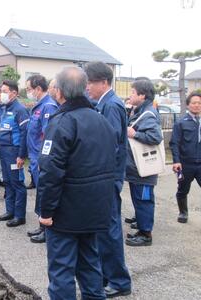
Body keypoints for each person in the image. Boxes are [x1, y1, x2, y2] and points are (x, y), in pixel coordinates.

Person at [38, 66, 116, 300]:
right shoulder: (101, 120)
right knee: (90, 264)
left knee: (61, 269)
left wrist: (46, 211)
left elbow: (51, 172)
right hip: (96, 208)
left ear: (60, 91)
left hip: (66, 211)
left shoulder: (62, 122)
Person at [84, 61, 131, 297]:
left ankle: (120, 282)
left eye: (90, 83)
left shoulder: (111, 105)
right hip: (104, 176)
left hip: (107, 177)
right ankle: (105, 275)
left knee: (110, 230)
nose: (87, 87)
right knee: (103, 230)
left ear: (103, 82)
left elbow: (110, 144)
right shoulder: (103, 103)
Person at [125, 78, 163, 246]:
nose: (130, 95)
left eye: (133, 92)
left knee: (144, 200)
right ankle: (142, 227)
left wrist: (135, 134)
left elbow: (155, 137)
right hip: (137, 168)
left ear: (142, 95)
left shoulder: (148, 113)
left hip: (144, 169)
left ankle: (146, 234)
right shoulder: (140, 111)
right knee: (139, 199)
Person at [25, 74, 58, 243]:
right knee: (40, 192)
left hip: (40, 157)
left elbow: (48, 136)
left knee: (45, 193)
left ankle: (47, 230)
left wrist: (42, 160)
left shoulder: (49, 107)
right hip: (34, 156)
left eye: (29, 89)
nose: (28, 92)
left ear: (38, 88)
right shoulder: (39, 105)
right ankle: (41, 226)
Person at [0, 80, 30, 227]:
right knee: (8, 183)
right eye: (1, 91)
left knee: (17, 183)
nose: (1, 94)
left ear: (14, 93)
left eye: (4, 91)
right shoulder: (6, 108)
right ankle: (10, 211)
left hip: (14, 152)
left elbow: (24, 134)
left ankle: (20, 216)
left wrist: (21, 155)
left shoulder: (20, 109)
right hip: (4, 151)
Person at [169, 91, 201, 223]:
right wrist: (176, 161)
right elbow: (174, 143)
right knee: (182, 190)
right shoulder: (181, 123)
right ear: (188, 105)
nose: (197, 105)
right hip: (186, 164)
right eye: (194, 103)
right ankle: (183, 212)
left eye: (199, 103)